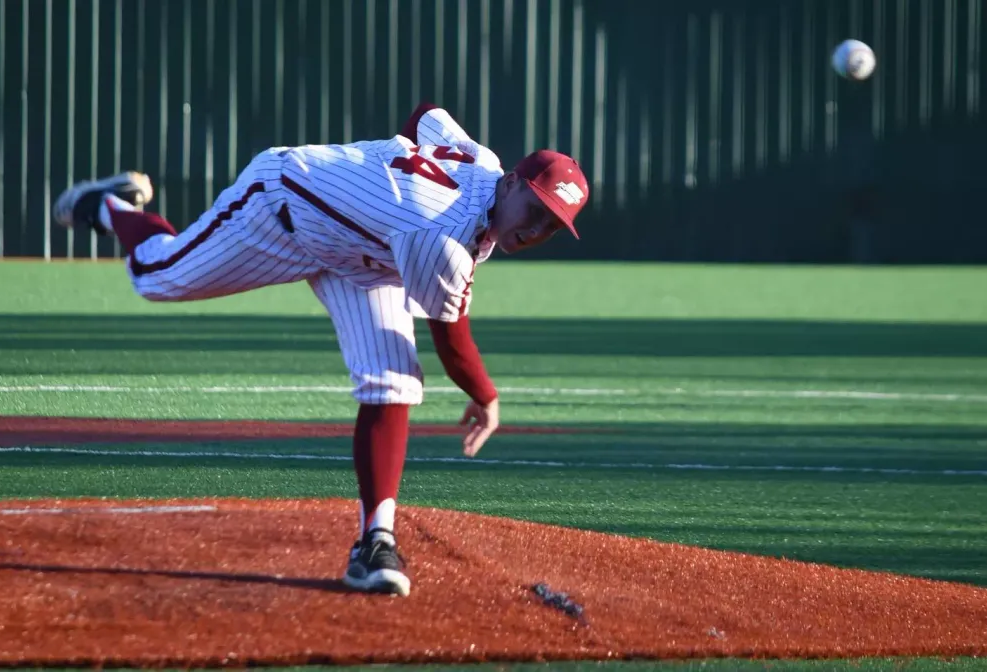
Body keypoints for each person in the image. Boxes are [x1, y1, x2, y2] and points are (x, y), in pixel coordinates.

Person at [52, 103, 590, 596]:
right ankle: (106, 206)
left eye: (553, 224)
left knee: (393, 379)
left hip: (366, 255)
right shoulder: (442, 237)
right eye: (537, 208)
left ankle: (376, 543)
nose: (538, 228)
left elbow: (430, 116)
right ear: (513, 182)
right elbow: (451, 339)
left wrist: (388, 177)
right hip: (281, 209)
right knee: (157, 275)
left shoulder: (484, 165)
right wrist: (485, 394)